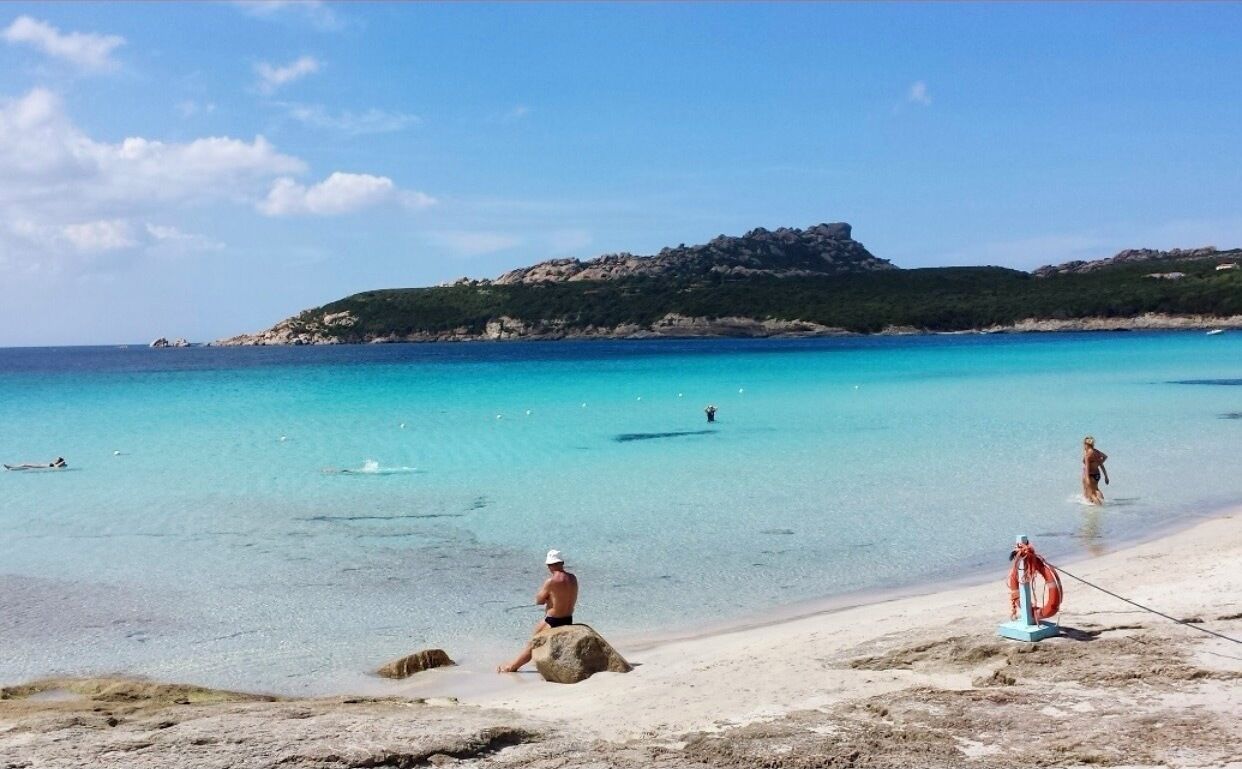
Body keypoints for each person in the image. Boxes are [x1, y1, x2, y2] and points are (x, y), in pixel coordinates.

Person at [498, 549, 579, 673]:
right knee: (535, 639)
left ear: (549, 565)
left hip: (553, 620)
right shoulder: (573, 578)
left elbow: (539, 600)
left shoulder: (551, 581)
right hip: (568, 618)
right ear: (562, 563)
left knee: (532, 643)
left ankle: (512, 667)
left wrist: (548, 597)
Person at [1082, 436, 1109, 505]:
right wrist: (1106, 476)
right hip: (1097, 475)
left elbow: (1087, 469)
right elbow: (1105, 457)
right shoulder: (1096, 452)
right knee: (1096, 490)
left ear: (1086, 444)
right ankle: (1102, 503)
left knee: (1092, 494)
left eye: (1084, 444)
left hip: (1090, 475)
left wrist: (1087, 479)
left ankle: (1099, 507)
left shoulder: (1088, 454)